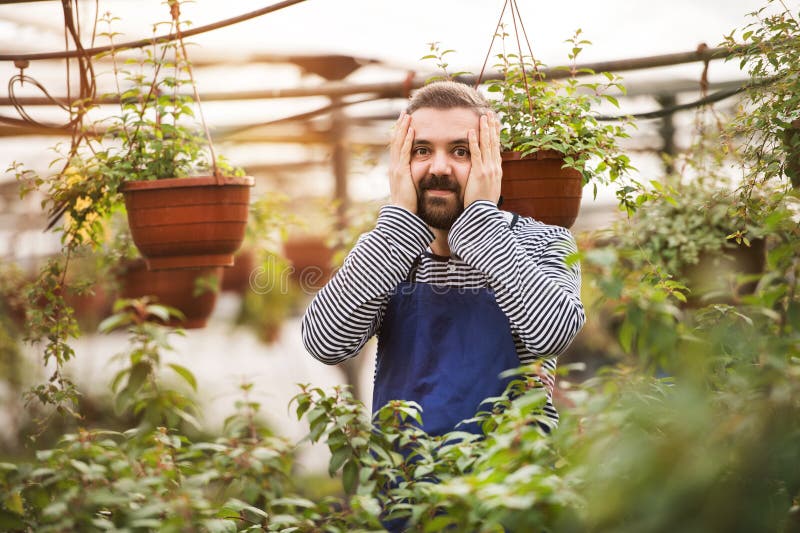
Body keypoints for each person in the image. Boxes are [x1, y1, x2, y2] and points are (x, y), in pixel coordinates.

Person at [301, 80, 585, 436]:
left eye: (461, 152)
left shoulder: (543, 242)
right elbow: (325, 342)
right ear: (400, 163)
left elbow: (552, 335)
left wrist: (481, 220)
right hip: (403, 484)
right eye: (421, 150)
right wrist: (397, 226)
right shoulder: (387, 250)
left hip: (512, 485)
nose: (439, 167)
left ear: (491, 163)